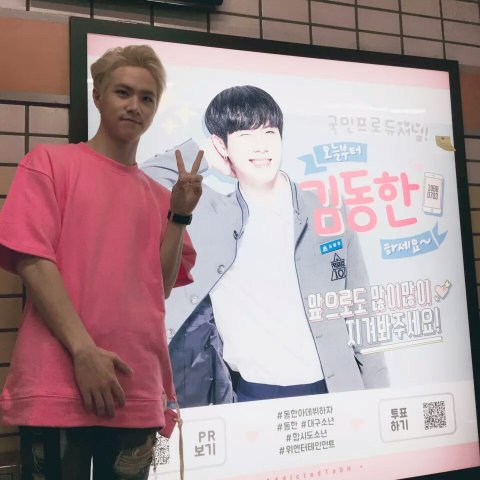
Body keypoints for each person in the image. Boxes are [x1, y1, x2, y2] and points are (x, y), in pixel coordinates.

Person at [0, 45, 203, 479]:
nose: (135, 106)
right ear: (97, 96)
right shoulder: (49, 164)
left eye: (147, 98)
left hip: (136, 386)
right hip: (57, 383)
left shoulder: (158, 195)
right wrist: (84, 351)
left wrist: (180, 214)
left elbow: (160, 287)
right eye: (123, 92)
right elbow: (33, 262)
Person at [142, 85, 388, 407]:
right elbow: (140, 179)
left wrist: (380, 397)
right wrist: (204, 156)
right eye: (245, 135)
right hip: (250, 395)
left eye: (269, 132)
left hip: (336, 390)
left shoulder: (326, 211)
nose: (261, 147)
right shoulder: (210, 214)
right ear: (221, 144)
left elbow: (362, 311)